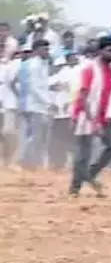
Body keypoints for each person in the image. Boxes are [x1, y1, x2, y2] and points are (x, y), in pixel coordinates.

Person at [69, 37, 111, 197]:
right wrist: (91, 121)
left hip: (105, 115)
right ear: (100, 51)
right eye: (109, 50)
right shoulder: (90, 69)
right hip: (88, 115)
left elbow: (108, 89)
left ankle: (90, 175)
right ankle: (75, 188)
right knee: (83, 154)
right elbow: (84, 95)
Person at [15, 39, 52, 169]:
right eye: (45, 49)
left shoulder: (42, 64)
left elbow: (43, 85)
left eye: (48, 49)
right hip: (33, 105)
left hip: (37, 105)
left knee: (34, 136)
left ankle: (29, 162)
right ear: (36, 50)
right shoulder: (34, 65)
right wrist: (48, 102)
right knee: (33, 136)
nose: (47, 52)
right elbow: (34, 87)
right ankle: (24, 161)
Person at [47, 52, 81, 170]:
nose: (60, 67)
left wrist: (70, 103)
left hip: (68, 113)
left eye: (62, 65)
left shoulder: (72, 75)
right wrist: (51, 103)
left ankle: (73, 163)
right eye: (58, 65)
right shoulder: (51, 78)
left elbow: (76, 92)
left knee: (70, 139)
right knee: (56, 140)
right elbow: (48, 91)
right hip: (56, 115)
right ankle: (57, 163)